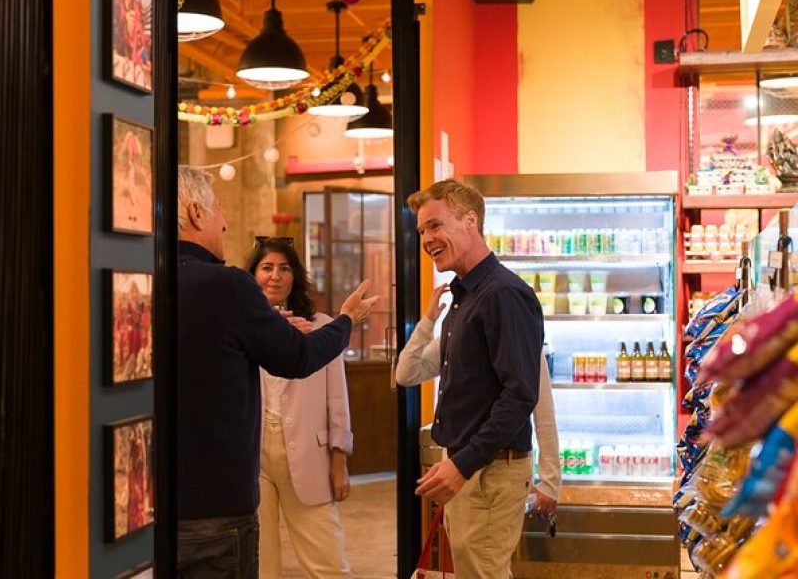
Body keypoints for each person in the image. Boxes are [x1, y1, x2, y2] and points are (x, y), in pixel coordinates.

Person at [176, 166, 378, 578]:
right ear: (197, 213)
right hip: (221, 499)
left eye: (283, 268)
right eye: (218, 211)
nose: (226, 222)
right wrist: (346, 322)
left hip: (151, 506)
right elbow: (297, 358)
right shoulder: (227, 287)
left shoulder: (135, 279)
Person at [407, 179, 544, 578]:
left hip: (487, 474)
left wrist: (462, 465)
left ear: (471, 221)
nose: (427, 238)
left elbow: (520, 396)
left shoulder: (503, 293)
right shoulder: (466, 295)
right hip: (472, 470)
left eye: (435, 225)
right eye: (421, 231)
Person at [395, 283, 560, 517]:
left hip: (497, 474)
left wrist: (550, 481)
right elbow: (406, 374)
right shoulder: (454, 339)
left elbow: (542, 410)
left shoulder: (519, 338)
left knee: (484, 552)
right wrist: (428, 321)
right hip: (454, 468)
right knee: (464, 552)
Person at [247, 238, 353, 579]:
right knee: (260, 563)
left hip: (310, 455)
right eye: (266, 268)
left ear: (295, 276)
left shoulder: (322, 326)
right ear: (253, 275)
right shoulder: (242, 328)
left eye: (284, 268)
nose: (275, 276)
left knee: (327, 563)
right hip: (253, 457)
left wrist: (339, 460)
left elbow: (337, 399)